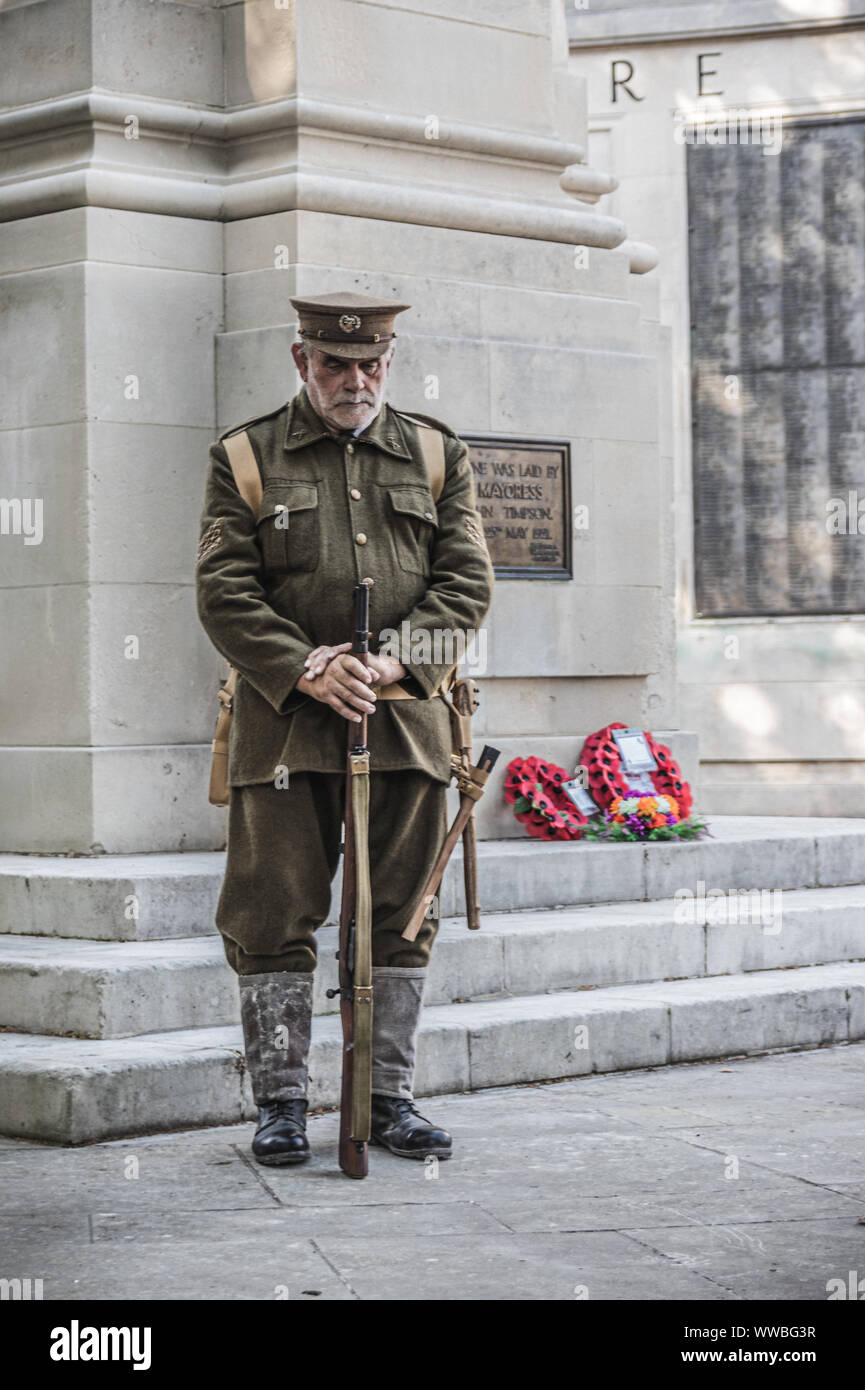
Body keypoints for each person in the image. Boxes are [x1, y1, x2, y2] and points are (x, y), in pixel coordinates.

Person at [196, 291, 494, 1165]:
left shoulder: (440, 454)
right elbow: (224, 592)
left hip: (405, 729)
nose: (354, 380)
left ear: (389, 364)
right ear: (302, 361)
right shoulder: (245, 457)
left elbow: (468, 580)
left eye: (370, 365)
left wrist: (397, 662)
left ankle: (388, 1099)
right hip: (285, 732)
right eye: (335, 364)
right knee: (272, 913)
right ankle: (281, 1105)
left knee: (399, 918)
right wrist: (309, 667)